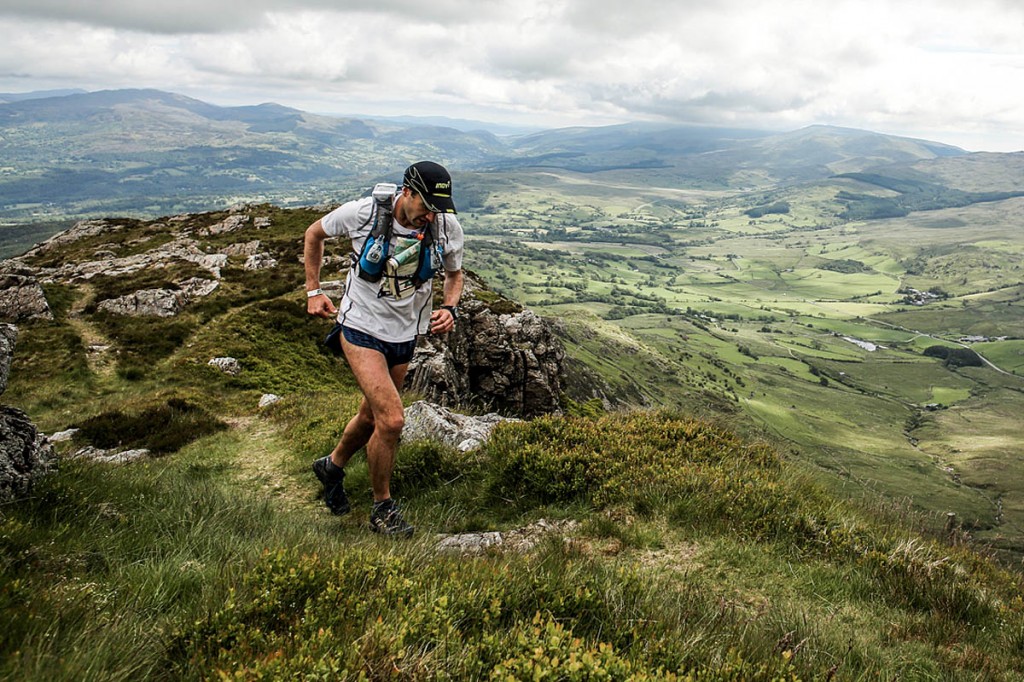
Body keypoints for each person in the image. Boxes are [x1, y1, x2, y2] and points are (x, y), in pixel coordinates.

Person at [303, 161, 465, 536]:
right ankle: (382, 508)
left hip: (404, 333)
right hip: (360, 326)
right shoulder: (363, 213)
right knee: (392, 419)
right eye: (426, 205)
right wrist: (313, 291)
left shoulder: (445, 227)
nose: (431, 215)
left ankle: (332, 466)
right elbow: (314, 234)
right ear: (406, 192)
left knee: (371, 416)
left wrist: (450, 307)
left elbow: (454, 274)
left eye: (438, 208)